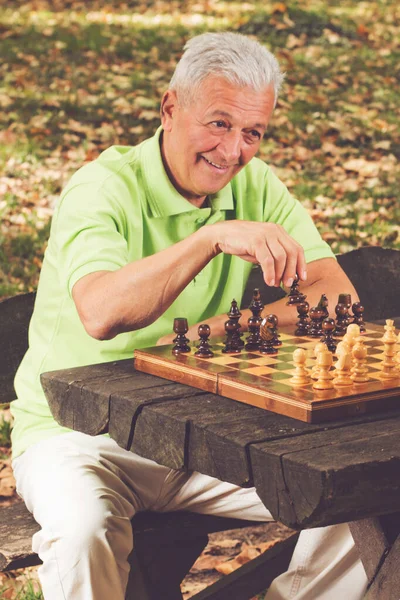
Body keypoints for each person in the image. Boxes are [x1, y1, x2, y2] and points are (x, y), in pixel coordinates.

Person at [10, 32, 368, 600]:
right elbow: (101, 312)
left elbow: (339, 300)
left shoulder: (255, 182)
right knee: (83, 533)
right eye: (219, 123)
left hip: (202, 434)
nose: (233, 152)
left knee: (364, 496)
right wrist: (213, 237)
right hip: (75, 435)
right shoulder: (102, 187)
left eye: (253, 132)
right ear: (170, 107)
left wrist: (212, 332)